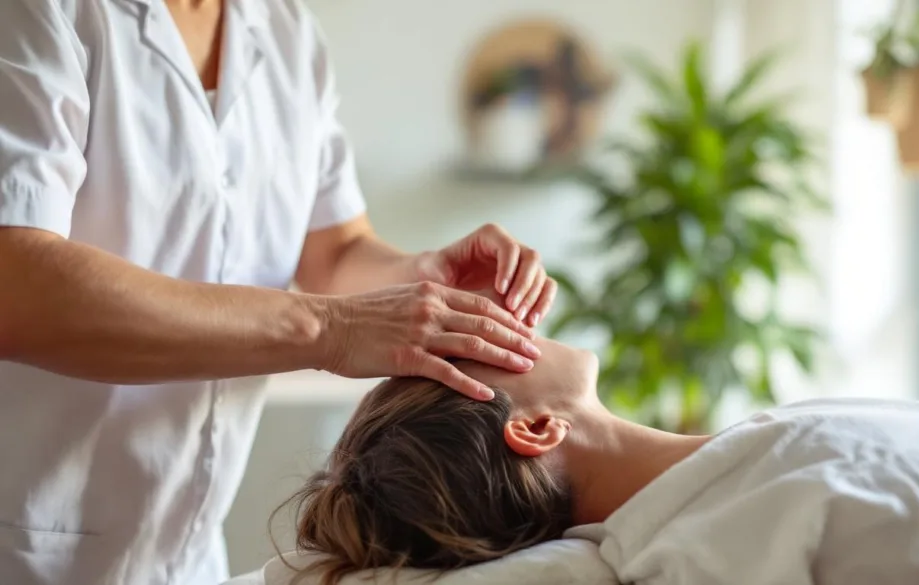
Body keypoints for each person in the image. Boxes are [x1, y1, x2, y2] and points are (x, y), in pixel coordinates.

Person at [0, 0, 557, 584]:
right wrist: (332, 331)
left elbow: (335, 252)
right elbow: (17, 284)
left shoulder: (287, 30)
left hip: (187, 558)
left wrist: (426, 275)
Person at [282, 338, 919, 585]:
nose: (497, 327)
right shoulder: (713, 547)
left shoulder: (744, 459)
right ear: (535, 428)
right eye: (469, 354)